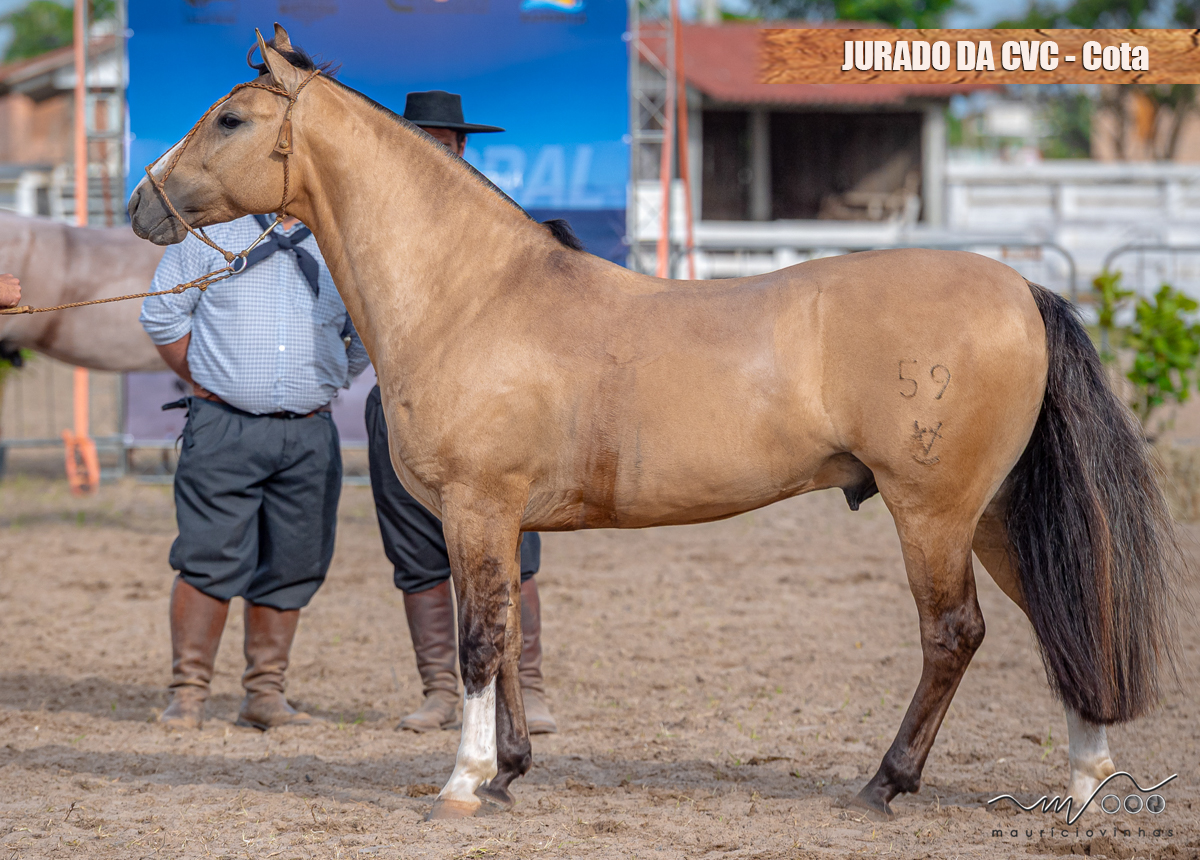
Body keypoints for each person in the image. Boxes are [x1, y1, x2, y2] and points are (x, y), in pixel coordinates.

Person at [366, 91, 557, 735]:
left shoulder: (499, 220)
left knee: (511, 554)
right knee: (418, 554)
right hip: (407, 402)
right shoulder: (372, 223)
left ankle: (526, 682)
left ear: (461, 148)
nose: (430, 152)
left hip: (494, 403)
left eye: (440, 141)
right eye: (417, 139)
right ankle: (440, 691)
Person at [141, 212, 369, 731]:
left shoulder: (343, 242)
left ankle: (265, 695)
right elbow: (162, 314)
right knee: (208, 556)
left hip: (310, 432)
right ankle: (188, 694)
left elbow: (362, 334)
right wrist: (202, 380)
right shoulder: (209, 236)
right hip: (224, 427)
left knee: (294, 561)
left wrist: (330, 379)